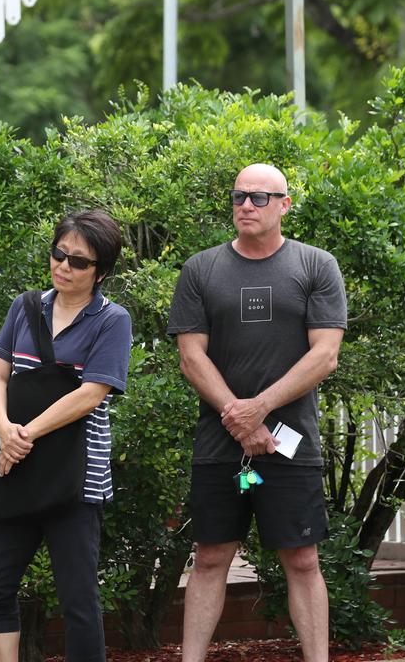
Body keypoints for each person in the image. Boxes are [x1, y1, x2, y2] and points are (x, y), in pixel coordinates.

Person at [167, 163, 346, 662]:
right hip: (219, 440)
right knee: (209, 558)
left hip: (291, 440)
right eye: (239, 195)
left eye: (260, 197)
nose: (246, 205)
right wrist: (238, 416)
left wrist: (260, 409)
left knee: (303, 559)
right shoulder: (200, 269)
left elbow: (324, 355)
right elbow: (191, 357)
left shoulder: (316, 266)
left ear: (285, 205)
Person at [0, 209, 132, 662]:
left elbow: (90, 394)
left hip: (76, 478)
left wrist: (22, 435)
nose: (64, 266)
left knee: (78, 600)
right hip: (17, 468)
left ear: (100, 271)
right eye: (59, 254)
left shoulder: (111, 320)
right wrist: (5, 430)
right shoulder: (26, 307)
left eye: (79, 261)